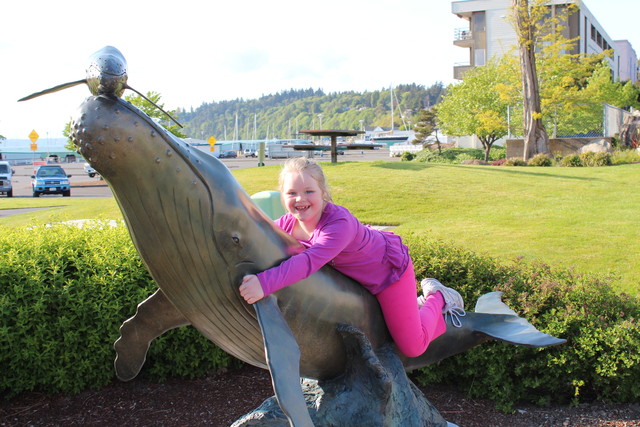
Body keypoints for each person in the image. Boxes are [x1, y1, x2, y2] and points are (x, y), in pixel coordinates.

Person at [239, 157, 465, 358]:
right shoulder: (287, 224)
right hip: (355, 277)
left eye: (309, 191)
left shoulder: (338, 225)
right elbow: (261, 236)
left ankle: (436, 297)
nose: (300, 199)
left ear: (323, 192)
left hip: (387, 273)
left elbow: (308, 262)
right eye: (291, 193)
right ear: (282, 195)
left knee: (413, 347)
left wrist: (263, 283)